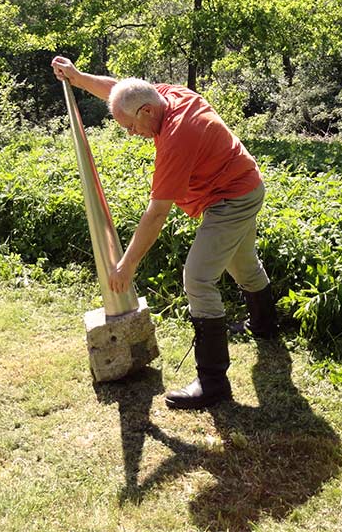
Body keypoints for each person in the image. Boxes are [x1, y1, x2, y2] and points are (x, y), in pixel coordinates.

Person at [51, 56, 278, 410]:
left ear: (145, 112)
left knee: (198, 278)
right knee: (243, 262)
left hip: (231, 198)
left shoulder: (177, 136)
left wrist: (126, 265)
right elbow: (119, 90)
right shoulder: (167, 95)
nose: (132, 134)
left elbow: (157, 213)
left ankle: (212, 381)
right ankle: (265, 326)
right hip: (244, 184)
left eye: (129, 127)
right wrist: (78, 79)